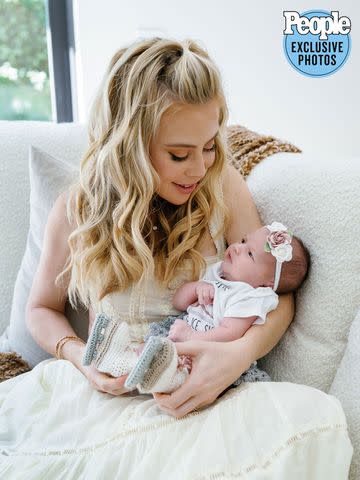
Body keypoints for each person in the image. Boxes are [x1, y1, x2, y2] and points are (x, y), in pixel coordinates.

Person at [2, 37, 348, 478]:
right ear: (127, 145)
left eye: (209, 145)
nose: (200, 168)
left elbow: (273, 292)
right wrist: (79, 358)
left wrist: (237, 357)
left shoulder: (221, 186)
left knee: (311, 420)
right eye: (179, 154)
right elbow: (40, 310)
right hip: (109, 404)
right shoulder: (78, 210)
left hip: (208, 401)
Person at [85, 222, 310, 394]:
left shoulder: (251, 297)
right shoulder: (217, 273)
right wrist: (196, 288)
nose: (238, 248)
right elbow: (179, 302)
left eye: (250, 254)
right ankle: (113, 355)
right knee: (145, 350)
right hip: (176, 333)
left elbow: (230, 333)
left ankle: (156, 376)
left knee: (179, 369)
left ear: (267, 284)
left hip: (206, 352)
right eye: (243, 241)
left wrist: (192, 337)